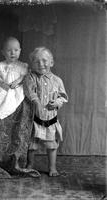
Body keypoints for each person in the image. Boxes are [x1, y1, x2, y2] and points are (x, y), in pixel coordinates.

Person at [24, 47, 68, 177]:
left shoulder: (57, 80)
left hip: (50, 120)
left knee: (51, 146)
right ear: (32, 64)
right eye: (36, 61)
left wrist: (57, 102)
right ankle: (30, 165)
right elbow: (29, 91)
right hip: (35, 120)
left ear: (51, 62)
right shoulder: (31, 77)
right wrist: (36, 101)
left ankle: (52, 167)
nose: (41, 64)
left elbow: (63, 97)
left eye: (44, 61)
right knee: (31, 146)